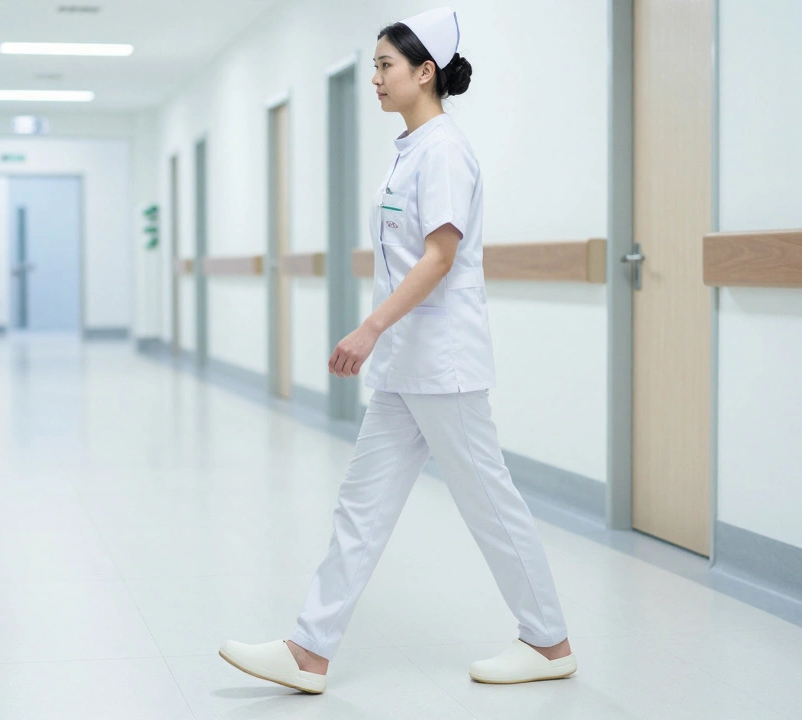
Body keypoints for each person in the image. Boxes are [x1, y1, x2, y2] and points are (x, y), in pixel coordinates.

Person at [219, 7, 575, 695]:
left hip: (442, 366)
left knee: (490, 505)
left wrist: (370, 327)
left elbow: (438, 257)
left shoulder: (443, 150)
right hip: (408, 369)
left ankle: (548, 639)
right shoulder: (412, 150)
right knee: (361, 506)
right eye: (375, 64)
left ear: (425, 72)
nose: (375, 77)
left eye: (386, 65)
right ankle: (308, 651)